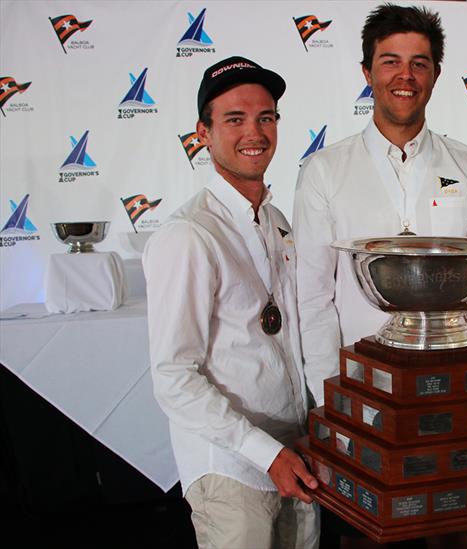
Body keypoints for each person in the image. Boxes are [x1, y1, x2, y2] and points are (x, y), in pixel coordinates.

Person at [143, 56, 319, 549]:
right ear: (203, 133)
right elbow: (174, 378)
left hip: (296, 456)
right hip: (232, 469)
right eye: (235, 119)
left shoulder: (277, 221)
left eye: (266, 117)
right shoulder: (188, 234)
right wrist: (264, 452)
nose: (255, 133)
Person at [293, 3, 467, 410]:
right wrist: (329, 402)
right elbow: (313, 299)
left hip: (454, 385)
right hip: (358, 388)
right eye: (390, 62)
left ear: (436, 75)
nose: (405, 76)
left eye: (419, 64)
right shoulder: (324, 170)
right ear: (368, 72)